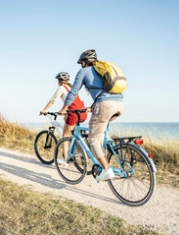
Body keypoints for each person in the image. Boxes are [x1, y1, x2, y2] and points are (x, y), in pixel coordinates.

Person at [58, 49, 124, 181]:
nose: (81, 65)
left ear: (84, 62)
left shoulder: (84, 71)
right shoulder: (102, 70)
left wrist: (64, 108)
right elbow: (105, 92)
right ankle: (103, 158)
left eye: (81, 63)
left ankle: (106, 169)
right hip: (119, 104)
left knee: (92, 138)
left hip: (104, 105)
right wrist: (92, 107)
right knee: (99, 135)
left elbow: (73, 92)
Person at [40, 72, 87, 166]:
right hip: (82, 113)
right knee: (70, 129)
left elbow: (53, 100)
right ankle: (76, 150)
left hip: (73, 114)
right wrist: (64, 111)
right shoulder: (72, 88)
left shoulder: (61, 88)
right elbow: (72, 102)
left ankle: (65, 159)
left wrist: (44, 110)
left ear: (59, 81)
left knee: (65, 135)